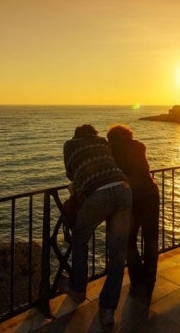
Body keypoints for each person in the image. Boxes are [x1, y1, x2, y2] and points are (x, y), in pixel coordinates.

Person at [62, 124, 132, 329]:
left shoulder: (70, 145)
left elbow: (70, 173)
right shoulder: (102, 142)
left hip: (97, 195)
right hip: (123, 189)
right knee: (118, 253)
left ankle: (77, 288)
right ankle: (108, 310)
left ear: (76, 135)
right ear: (94, 134)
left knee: (80, 241)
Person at [106, 125, 160, 301]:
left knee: (129, 241)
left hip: (130, 196)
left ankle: (138, 282)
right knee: (151, 240)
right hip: (151, 193)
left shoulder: (111, 150)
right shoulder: (139, 146)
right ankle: (150, 283)